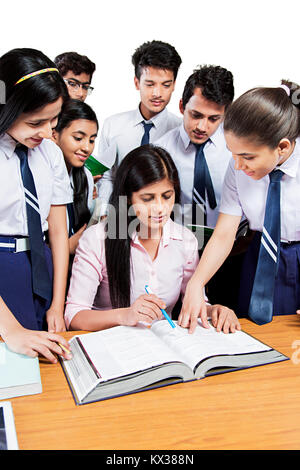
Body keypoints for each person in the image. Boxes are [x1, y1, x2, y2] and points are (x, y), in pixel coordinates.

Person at [64, 145, 240, 333]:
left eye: (167, 196)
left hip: (164, 345)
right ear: (129, 198)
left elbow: (195, 304)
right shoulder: (97, 239)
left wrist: (215, 311)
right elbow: (74, 316)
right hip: (112, 346)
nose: (160, 208)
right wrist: (126, 315)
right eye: (147, 198)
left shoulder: (185, 240)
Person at [179, 80, 300, 332]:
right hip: (262, 257)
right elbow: (224, 233)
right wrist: (196, 284)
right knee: (255, 333)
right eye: (233, 153)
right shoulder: (237, 168)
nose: (237, 166)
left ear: (282, 147)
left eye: (247, 157)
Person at [156, 65, 246, 310]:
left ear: (226, 114)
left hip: (233, 254)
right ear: (182, 106)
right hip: (179, 257)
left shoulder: (238, 151)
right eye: (196, 115)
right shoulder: (161, 150)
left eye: (213, 118)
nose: (202, 127)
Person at [0, 48, 73, 338]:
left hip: (43, 267)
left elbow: (57, 232)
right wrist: (12, 330)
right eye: (35, 123)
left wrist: (57, 303)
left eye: (53, 121)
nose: (46, 133)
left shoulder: (51, 154)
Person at [97, 40, 182, 216]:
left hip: (163, 216)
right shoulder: (113, 125)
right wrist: (104, 213)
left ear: (174, 85)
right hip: (119, 214)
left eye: (166, 85)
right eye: (150, 84)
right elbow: (107, 176)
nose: (157, 93)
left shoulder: (180, 130)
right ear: (137, 83)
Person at [52, 99, 98, 255]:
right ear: (54, 135)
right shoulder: (41, 176)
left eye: (92, 140)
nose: (87, 148)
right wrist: (67, 247)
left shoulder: (85, 177)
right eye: (78, 138)